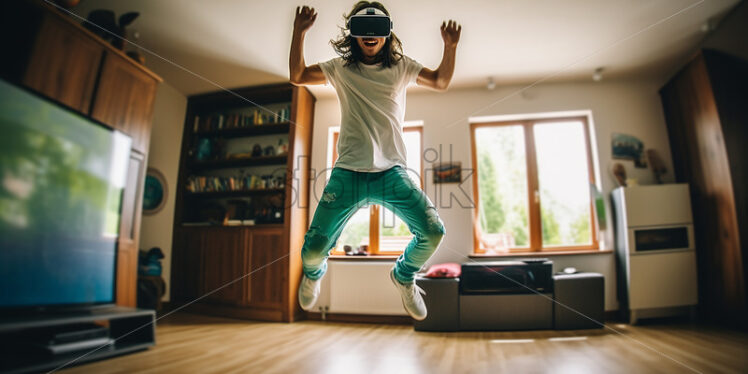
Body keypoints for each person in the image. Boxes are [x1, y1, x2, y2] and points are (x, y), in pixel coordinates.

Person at [289, 1, 461, 320]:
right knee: (312, 251)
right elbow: (298, 75)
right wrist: (298, 33)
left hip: (391, 173)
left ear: (387, 33)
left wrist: (449, 48)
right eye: (362, 29)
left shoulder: (401, 67)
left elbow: (440, 81)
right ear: (353, 34)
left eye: (377, 29)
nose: (370, 35)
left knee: (433, 231)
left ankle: (404, 275)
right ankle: (314, 275)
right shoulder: (341, 68)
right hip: (347, 173)